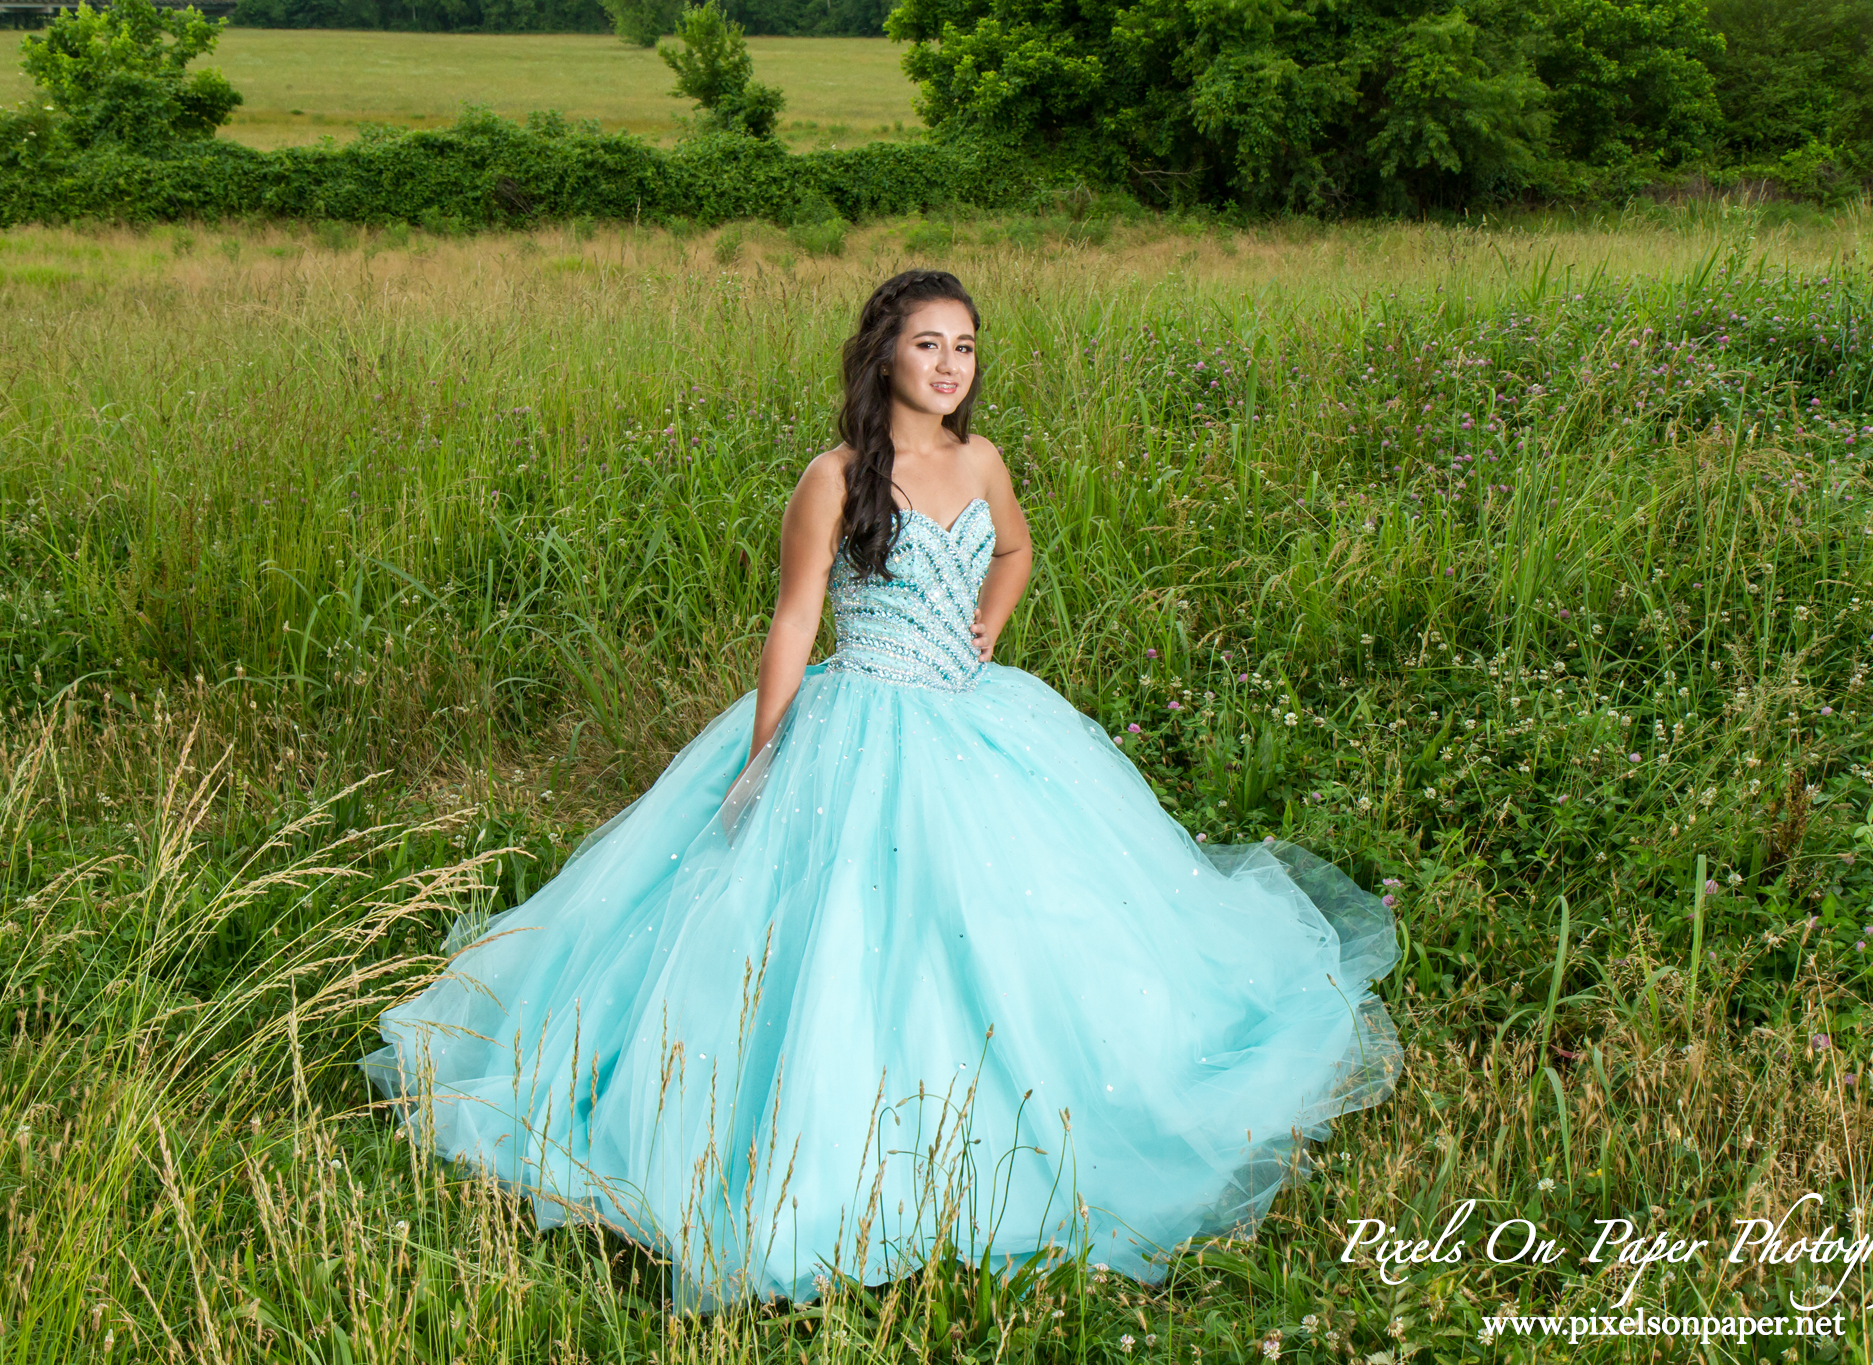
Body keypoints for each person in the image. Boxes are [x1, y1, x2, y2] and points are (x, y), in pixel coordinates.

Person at [363, 268, 1402, 1307]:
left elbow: (1016, 545)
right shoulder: (837, 473)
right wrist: (763, 757)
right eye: (927, 345)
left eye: (964, 346)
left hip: (976, 721)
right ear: (882, 356)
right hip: (855, 718)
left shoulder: (980, 456)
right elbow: (791, 621)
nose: (950, 365)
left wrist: (988, 620)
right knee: (833, 928)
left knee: (1015, 917)